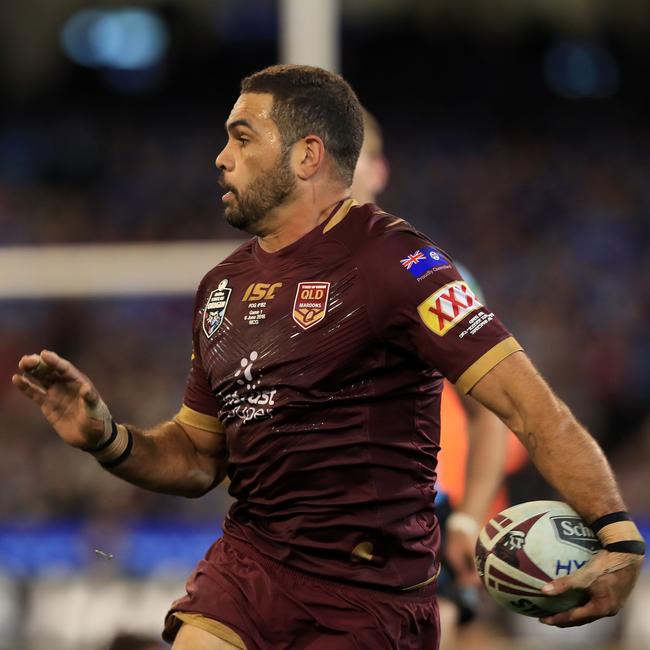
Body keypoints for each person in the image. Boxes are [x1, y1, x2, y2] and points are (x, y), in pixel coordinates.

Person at [13, 64, 645, 650]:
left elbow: (531, 409)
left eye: (241, 138)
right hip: (250, 568)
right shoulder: (221, 290)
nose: (220, 157)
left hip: (369, 596)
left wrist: (617, 533)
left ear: (306, 155)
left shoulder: (400, 265)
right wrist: (107, 438)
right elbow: (197, 458)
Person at [351, 108, 525, 646]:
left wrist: (470, 519)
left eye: (348, 157)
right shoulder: (270, 278)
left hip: (410, 530)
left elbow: (493, 408)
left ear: (379, 170)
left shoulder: (426, 272)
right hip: (302, 533)